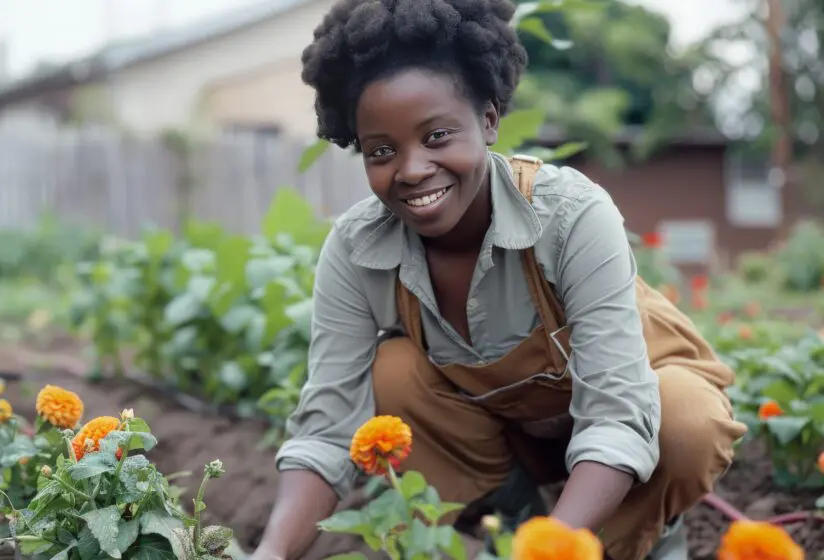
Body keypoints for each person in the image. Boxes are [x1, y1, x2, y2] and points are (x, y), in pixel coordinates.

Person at [252, 1, 748, 559]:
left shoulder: (570, 215)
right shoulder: (357, 247)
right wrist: (268, 554)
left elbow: (617, 413)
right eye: (382, 151)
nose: (411, 169)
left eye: (437, 135)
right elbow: (326, 430)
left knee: (684, 421)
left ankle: (639, 536)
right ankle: (516, 528)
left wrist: (549, 551)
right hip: (512, 437)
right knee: (393, 376)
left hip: (633, 410)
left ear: (488, 120)